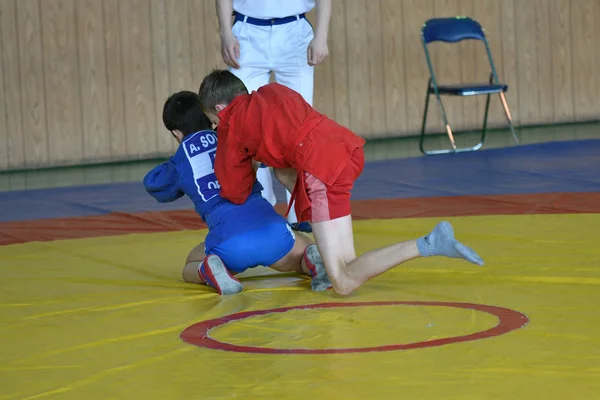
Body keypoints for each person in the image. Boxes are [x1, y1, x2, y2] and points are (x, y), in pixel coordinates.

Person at [198, 70, 485, 296]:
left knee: (343, 282)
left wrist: (246, 158)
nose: (216, 126)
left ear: (221, 109)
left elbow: (235, 191)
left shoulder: (230, 127)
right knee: (348, 265)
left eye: (213, 120)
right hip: (344, 151)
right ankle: (328, 253)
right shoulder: (273, 90)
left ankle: (428, 244)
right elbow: (287, 131)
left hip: (319, 171)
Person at [143, 90, 330, 295]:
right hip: (272, 233)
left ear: (176, 133)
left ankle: (207, 269)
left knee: (190, 264)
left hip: (229, 245)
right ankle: (310, 260)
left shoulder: (180, 161)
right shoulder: (235, 136)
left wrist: (180, 157)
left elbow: (155, 185)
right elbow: (271, 157)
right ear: (209, 115)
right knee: (303, 248)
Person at [215, 0, 332, 233]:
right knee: (246, 124)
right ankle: (262, 207)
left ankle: (299, 210)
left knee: (300, 126)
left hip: (295, 31)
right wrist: (225, 33)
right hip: (247, 32)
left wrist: (322, 36)